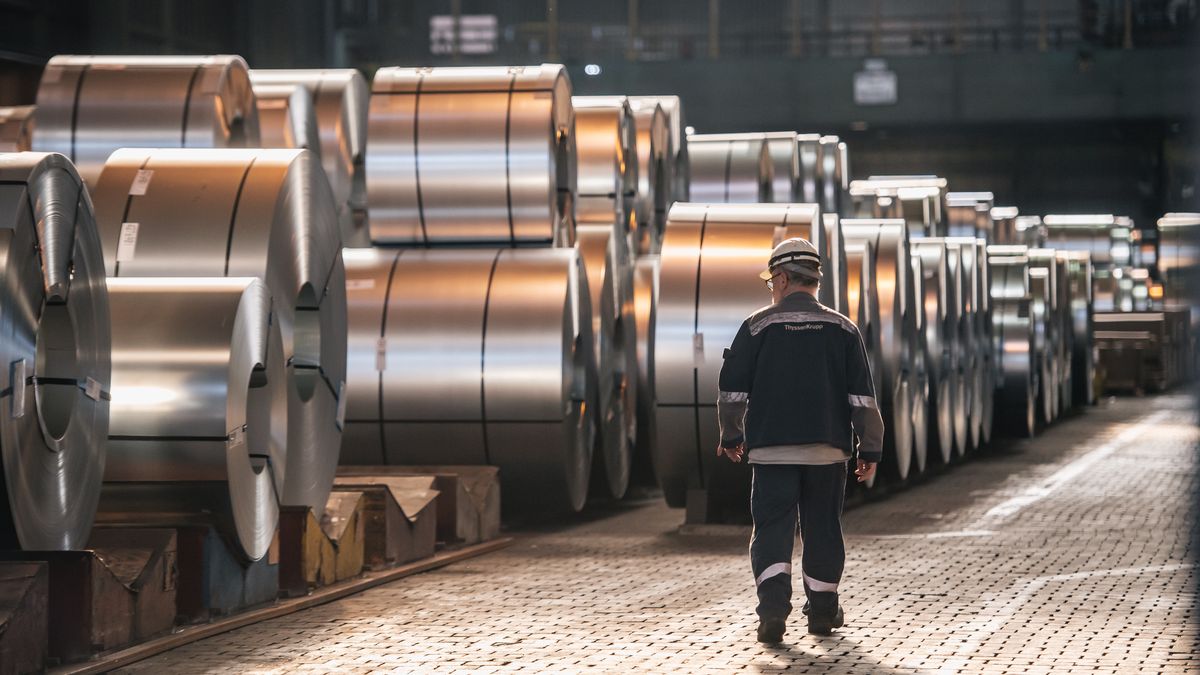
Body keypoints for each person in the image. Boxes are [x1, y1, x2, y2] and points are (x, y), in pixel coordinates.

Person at [716, 237, 884, 643]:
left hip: (771, 452)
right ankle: (823, 611)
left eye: (772, 280)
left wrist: (731, 434)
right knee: (823, 527)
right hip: (828, 453)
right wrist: (870, 448)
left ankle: (773, 612)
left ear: (785, 277)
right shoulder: (843, 329)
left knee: (772, 529)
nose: (771, 288)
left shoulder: (756, 326)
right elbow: (862, 399)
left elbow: (731, 391)